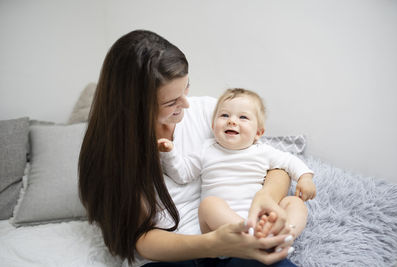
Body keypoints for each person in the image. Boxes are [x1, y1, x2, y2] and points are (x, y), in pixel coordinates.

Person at [78, 29, 299, 267]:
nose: (185, 104)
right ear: (135, 108)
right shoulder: (112, 160)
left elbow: (274, 164)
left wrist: (264, 197)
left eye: (186, 88)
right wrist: (215, 243)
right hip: (174, 257)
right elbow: (140, 239)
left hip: (236, 243)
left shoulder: (210, 114)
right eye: (171, 102)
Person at [158, 88, 316, 244]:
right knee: (209, 205)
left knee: (295, 203)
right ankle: (252, 239)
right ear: (213, 126)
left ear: (258, 133)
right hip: (221, 230)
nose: (232, 121)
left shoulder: (262, 151)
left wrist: (305, 178)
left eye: (243, 117)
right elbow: (183, 174)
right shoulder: (206, 149)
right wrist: (170, 153)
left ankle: (283, 235)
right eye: (224, 115)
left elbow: (289, 161)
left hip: (259, 217)